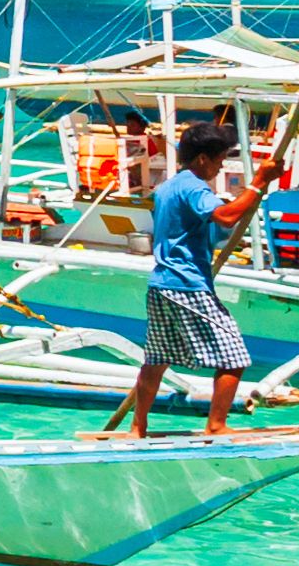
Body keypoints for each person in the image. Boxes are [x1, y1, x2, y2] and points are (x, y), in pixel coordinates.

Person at [107, 114, 272, 438]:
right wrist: (259, 182)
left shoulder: (167, 187)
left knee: (156, 360)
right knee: (233, 356)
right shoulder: (194, 188)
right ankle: (216, 424)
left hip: (161, 285)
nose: (221, 168)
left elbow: (195, 229)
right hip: (186, 285)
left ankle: (138, 426)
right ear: (202, 159)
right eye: (220, 161)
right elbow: (224, 217)